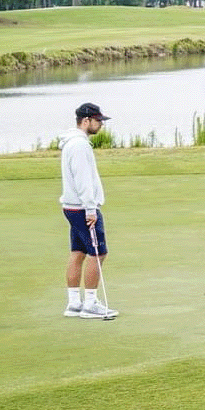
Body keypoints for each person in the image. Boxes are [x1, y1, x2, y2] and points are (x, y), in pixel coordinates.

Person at [60, 102, 117, 319]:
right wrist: (91, 209)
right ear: (86, 121)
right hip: (83, 208)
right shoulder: (80, 146)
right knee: (98, 252)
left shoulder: (72, 143)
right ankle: (90, 304)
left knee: (79, 252)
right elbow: (83, 179)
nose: (101, 124)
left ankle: (74, 303)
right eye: (98, 120)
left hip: (72, 207)